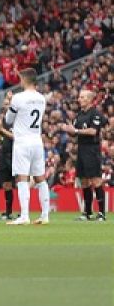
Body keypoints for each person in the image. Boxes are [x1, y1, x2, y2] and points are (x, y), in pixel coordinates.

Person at [5, 68, 50, 226]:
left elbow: (9, 119)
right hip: (37, 141)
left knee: (22, 178)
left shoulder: (18, 98)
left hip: (22, 141)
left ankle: (24, 215)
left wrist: (9, 104)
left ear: (24, 79)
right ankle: (45, 215)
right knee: (40, 178)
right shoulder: (41, 98)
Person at [62, 89, 106, 221]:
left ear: (89, 100)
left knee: (96, 180)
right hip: (81, 149)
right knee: (84, 181)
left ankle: (102, 213)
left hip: (92, 150)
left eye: (82, 97)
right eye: (80, 97)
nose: (79, 99)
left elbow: (93, 131)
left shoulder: (96, 114)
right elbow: (75, 133)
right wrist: (69, 130)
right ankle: (87, 213)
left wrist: (75, 130)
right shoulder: (79, 115)